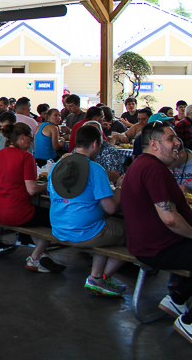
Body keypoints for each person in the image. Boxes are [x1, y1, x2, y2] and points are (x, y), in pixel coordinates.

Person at [120, 121, 192, 343]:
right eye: (171, 139)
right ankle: (188, 322)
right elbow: (170, 218)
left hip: (152, 244)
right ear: (154, 144)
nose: (177, 143)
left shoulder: (143, 164)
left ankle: (177, 299)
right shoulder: (153, 169)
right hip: (158, 248)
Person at [48, 125, 127, 296]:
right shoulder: (96, 169)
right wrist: (120, 188)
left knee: (103, 224)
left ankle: (96, 276)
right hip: (84, 233)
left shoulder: (57, 166)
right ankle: (101, 278)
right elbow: (111, 208)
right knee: (131, 233)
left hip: (58, 229)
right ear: (96, 144)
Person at [0, 122, 64, 271]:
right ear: (22, 138)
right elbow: (32, 189)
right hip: (17, 213)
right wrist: (49, 184)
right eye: (30, 138)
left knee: (38, 216)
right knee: (54, 218)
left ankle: (43, 256)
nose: (31, 142)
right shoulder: (26, 156)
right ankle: (35, 257)